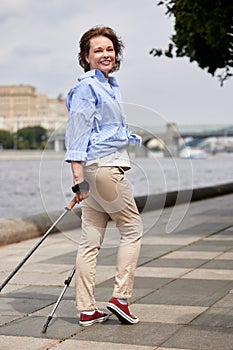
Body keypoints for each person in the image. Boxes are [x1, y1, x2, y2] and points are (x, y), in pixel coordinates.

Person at [65, 26, 143, 327]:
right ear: (86, 57)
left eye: (109, 49)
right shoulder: (87, 88)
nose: (105, 54)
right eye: (98, 50)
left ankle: (86, 309)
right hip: (105, 168)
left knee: (90, 241)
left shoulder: (110, 85)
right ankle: (120, 299)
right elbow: (77, 133)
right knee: (132, 229)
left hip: (98, 169)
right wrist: (77, 179)